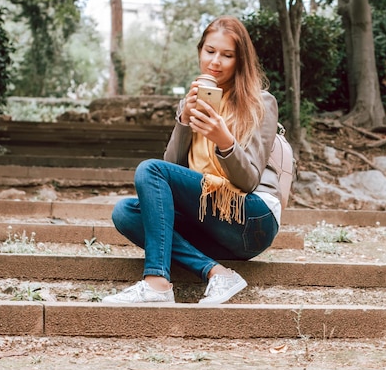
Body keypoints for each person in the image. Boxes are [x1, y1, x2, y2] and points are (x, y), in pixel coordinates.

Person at [103, 16, 282, 305]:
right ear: (200, 51)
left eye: (227, 55)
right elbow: (169, 169)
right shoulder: (191, 102)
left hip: (252, 219)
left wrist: (224, 140)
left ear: (240, 61)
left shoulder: (260, 102)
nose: (216, 62)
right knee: (125, 212)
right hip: (209, 218)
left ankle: (157, 284)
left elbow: (248, 180)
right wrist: (184, 121)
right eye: (210, 51)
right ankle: (215, 271)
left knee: (149, 169)